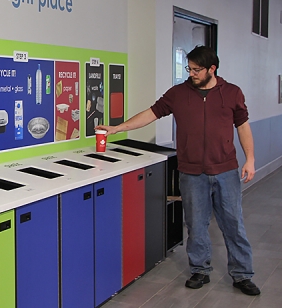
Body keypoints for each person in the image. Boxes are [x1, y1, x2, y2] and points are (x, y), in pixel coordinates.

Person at [96, 46, 260, 296]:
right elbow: (151, 113)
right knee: (195, 224)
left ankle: (242, 274)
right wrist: (120, 128)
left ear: (211, 69)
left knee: (234, 224)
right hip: (191, 172)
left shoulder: (232, 93)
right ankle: (200, 270)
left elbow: (243, 127)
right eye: (189, 68)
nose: (191, 74)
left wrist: (250, 159)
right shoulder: (178, 94)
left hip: (226, 170)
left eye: (196, 70)